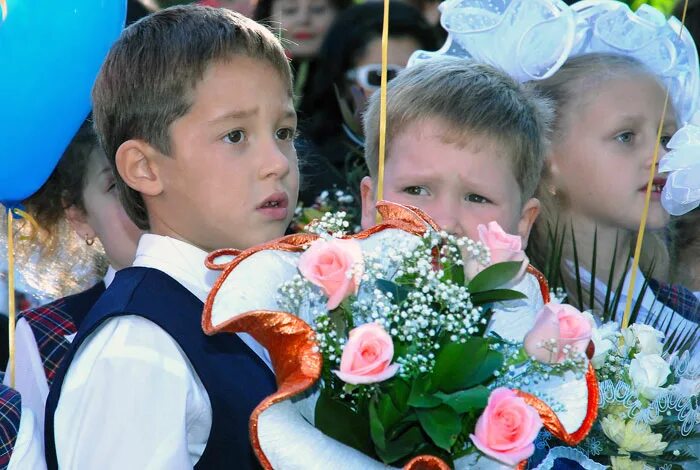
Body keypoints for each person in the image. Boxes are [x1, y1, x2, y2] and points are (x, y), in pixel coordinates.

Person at [44, 5, 299, 469]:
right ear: (145, 168)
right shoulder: (140, 347)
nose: (278, 161)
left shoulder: (269, 304)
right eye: (235, 135)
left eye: (284, 131)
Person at [360, 58, 553, 339]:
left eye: (477, 198)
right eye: (416, 190)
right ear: (369, 204)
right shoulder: (320, 314)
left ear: (523, 223)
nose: (445, 223)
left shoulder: (536, 344)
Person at [527, 53, 699, 349]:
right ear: (549, 158)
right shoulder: (519, 305)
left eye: (668, 138)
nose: (661, 157)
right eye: (626, 137)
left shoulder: (683, 310)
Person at [4, 119, 142, 434]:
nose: (144, 196)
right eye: (116, 186)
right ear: (79, 217)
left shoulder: (256, 288)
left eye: (153, 168)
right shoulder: (46, 337)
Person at [297, 1, 438, 205]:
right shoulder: (304, 162)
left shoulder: (453, 154)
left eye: (417, 74)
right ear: (343, 80)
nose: (404, 89)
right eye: (381, 76)